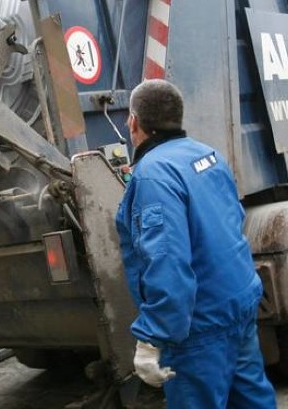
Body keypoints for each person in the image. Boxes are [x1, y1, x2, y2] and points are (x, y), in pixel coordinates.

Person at [115, 79, 276, 408]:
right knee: (252, 400)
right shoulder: (209, 155)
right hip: (239, 304)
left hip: (199, 330)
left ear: (134, 122)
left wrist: (152, 336)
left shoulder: (153, 175)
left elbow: (168, 262)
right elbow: (231, 223)